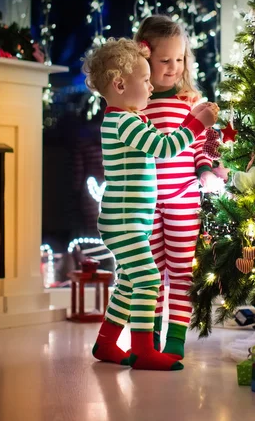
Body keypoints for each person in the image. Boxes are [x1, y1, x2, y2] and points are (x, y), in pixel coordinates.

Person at [82, 38, 218, 371]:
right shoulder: (123, 122)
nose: (149, 86)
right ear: (119, 85)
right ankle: (143, 349)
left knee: (130, 281)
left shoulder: (126, 119)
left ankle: (106, 342)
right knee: (148, 280)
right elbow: (165, 148)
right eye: (144, 81)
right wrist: (197, 123)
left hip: (129, 220)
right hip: (125, 221)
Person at [134, 15, 222, 360]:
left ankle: (175, 337)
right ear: (145, 58)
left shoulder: (190, 99)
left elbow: (205, 142)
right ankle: (149, 336)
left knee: (182, 270)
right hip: (146, 200)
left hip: (184, 197)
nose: (173, 67)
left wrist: (207, 167)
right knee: (150, 270)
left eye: (179, 59)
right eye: (164, 60)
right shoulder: (137, 103)